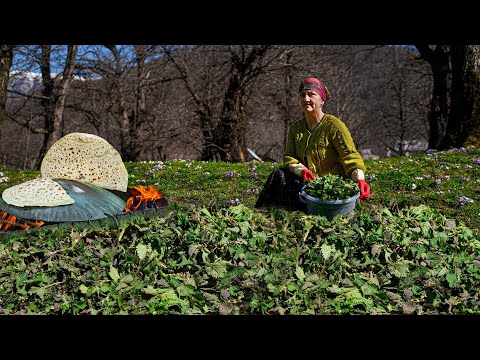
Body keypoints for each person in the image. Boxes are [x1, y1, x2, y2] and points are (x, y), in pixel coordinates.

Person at [255, 77, 371, 210]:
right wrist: (301, 170)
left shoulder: (334, 126)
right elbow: (289, 157)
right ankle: (271, 214)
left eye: (311, 95)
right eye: (302, 95)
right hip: (308, 185)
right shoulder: (295, 129)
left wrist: (359, 179)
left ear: (322, 100)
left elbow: (349, 156)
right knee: (279, 174)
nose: (306, 99)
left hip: (334, 186)